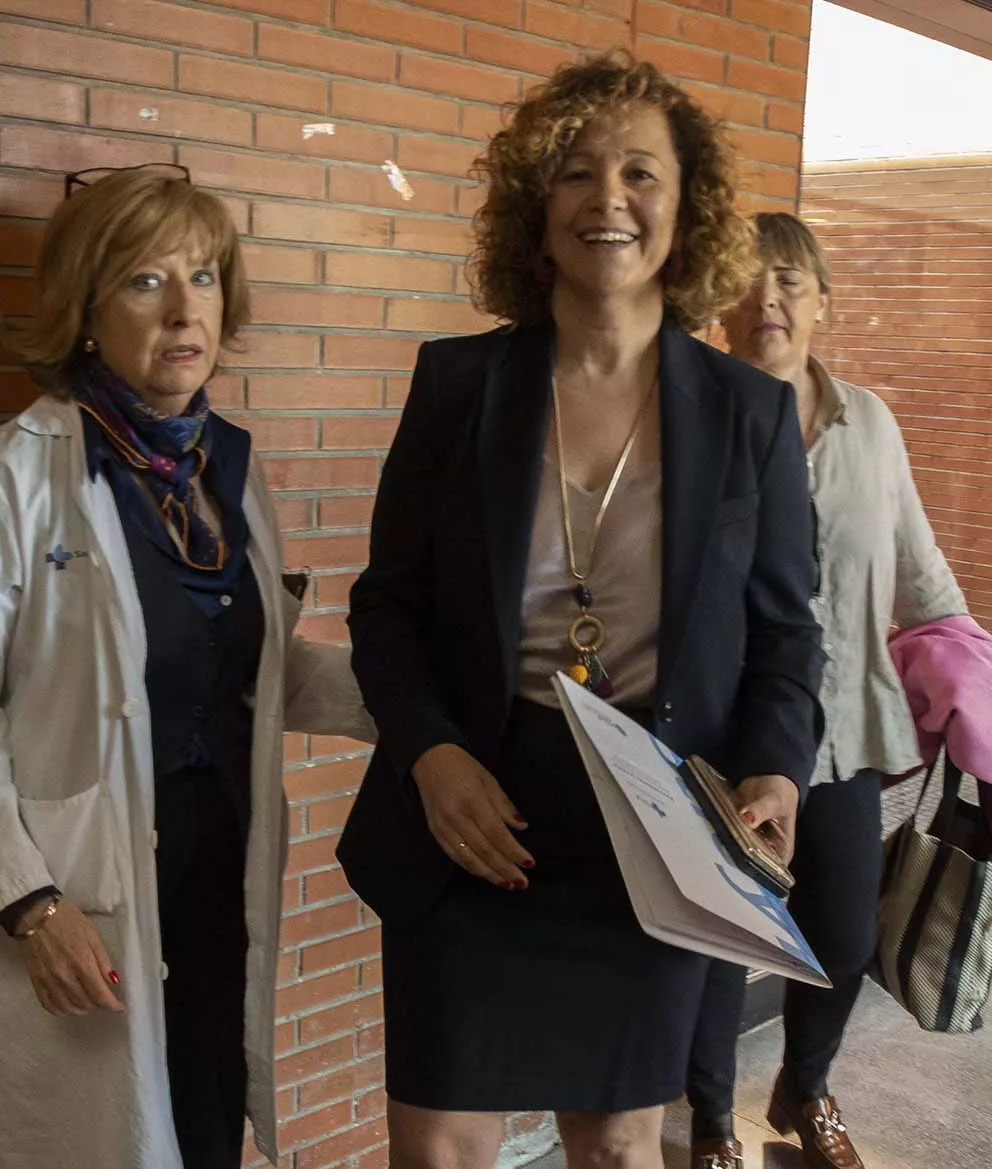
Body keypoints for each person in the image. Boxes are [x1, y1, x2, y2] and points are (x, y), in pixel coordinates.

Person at [336, 53, 825, 1169]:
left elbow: (789, 632)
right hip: (475, 812)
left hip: (653, 829)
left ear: (684, 209)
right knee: (442, 1146)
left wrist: (776, 768)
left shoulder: (749, 413)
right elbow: (389, 605)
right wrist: (430, 754)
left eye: (641, 173)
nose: (609, 199)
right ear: (536, 211)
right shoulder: (460, 386)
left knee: (615, 1145)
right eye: (577, 173)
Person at [0, 164, 373, 1169]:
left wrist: (417, 700)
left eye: (203, 274)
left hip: (214, 872)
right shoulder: (5, 480)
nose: (186, 308)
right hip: (82, 897)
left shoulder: (227, 471)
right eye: (148, 280)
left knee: (201, 1122)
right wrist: (29, 901)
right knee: (102, 1143)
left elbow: (249, 672)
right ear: (87, 312)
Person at [685, 212, 968, 1169]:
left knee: (843, 934)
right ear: (718, 307)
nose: (769, 298)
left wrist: (982, 687)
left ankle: (802, 1091)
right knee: (720, 948)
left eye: (791, 281)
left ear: (822, 305)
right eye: (749, 281)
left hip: (841, 733)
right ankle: (713, 1127)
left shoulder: (870, 423)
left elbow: (919, 570)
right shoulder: (694, 423)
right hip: (721, 743)